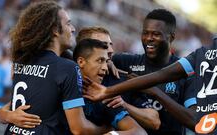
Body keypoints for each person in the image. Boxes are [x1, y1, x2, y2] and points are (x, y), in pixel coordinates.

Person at [0, 1, 112, 135]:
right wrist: (108, 129)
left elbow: (4, 110)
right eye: (68, 23)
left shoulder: (22, 61)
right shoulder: (67, 68)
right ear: (54, 30)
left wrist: (6, 116)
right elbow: (79, 129)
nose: (73, 29)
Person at [85, 9, 197, 135]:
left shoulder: (184, 72)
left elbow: (194, 121)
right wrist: (107, 62)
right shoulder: (124, 62)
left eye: (156, 34)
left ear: (171, 37)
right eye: (145, 33)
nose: (149, 38)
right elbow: (85, 62)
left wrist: (155, 92)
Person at [83, 34, 217, 135]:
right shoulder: (204, 54)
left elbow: (154, 122)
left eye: (109, 46)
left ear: (170, 37)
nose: (109, 51)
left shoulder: (201, 60)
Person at [76, 26, 161, 130]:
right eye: (103, 44)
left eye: (110, 44)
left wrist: (124, 105)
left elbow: (154, 121)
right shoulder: (67, 76)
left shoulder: (121, 81)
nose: (111, 50)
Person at [73, 38, 147, 135]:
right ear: (81, 62)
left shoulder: (104, 96)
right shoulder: (63, 82)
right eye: (100, 61)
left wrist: (112, 134)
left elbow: (140, 133)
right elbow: (79, 130)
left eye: (106, 62)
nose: (105, 67)